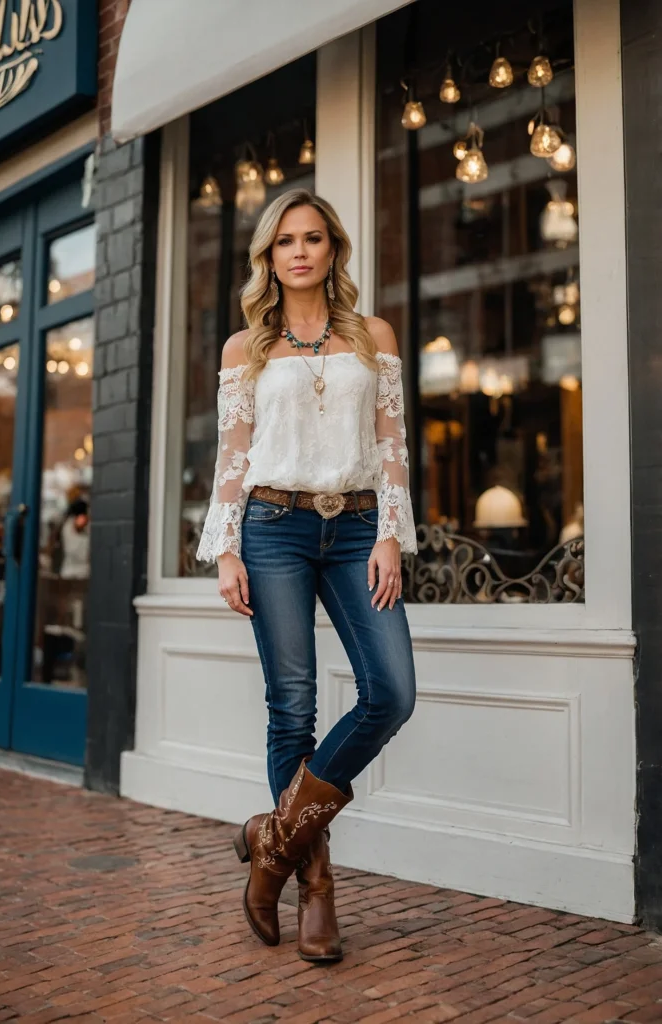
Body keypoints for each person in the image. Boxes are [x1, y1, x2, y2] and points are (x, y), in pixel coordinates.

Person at [196, 188, 418, 963]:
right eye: (284, 240)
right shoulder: (243, 349)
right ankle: (314, 887)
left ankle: (271, 841)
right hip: (272, 528)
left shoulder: (372, 336)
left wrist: (390, 535)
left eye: (313, 238)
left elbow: (391, 445)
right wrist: (225, 548)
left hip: (358, 525)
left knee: (390, 692)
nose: (298, 250)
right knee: (290, 706)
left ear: (333, 250)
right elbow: (232, 458)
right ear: (269, 256)